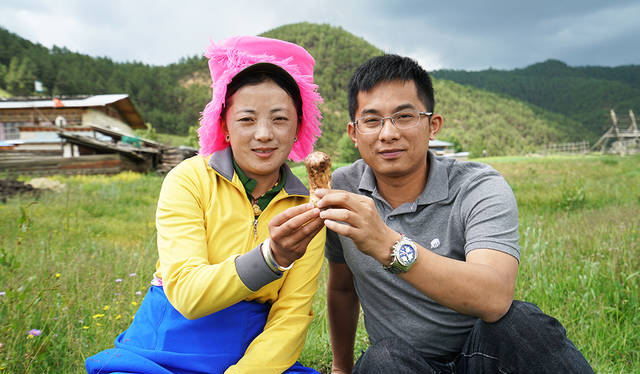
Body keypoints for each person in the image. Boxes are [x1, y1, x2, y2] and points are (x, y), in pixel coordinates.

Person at [316, 54, 594, 373]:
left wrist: (388, 246)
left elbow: (494, 297)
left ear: (433, 125)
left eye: (404, 116)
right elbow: (341, 286)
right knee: (383, 358)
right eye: (372, 120)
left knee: (522, 323)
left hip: (481, 358)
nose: (388, 133)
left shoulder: (477, 186)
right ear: (354, 133)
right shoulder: (341, 190)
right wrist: (340, 367)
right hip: (404, 364)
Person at [85, 35, 326, 374]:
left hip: (253, 355)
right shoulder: (189, 180)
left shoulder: (307, 208)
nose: (263, 134)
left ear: (298, 126)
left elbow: (292, 315)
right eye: (246, 119)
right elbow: (187, 293)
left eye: (279, 119)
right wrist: (272, 258)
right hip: (167, 346)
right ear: (224, 125)